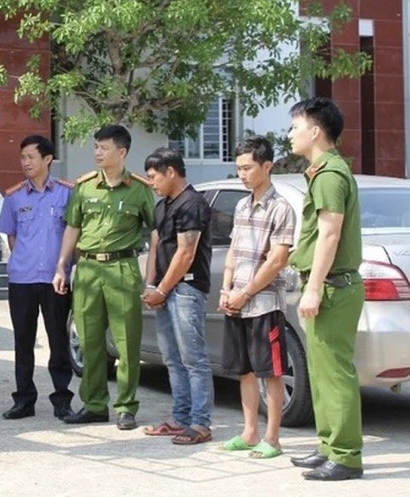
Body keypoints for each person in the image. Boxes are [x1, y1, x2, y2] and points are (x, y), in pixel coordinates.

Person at [53, 124, 154, 431]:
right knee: (88, 341)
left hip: (122, 269)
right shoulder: (84, 187)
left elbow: (156, 232)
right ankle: (95, 405)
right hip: (87, 270)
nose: (97, 152)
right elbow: (73, 228)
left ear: (121, 152)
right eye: (96, 147)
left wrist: (150, 279)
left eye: (104, 148)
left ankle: (125, 406)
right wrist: (62, 266)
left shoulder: (139, 189)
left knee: (126, 343)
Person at [286, 97, 364, 481]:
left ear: (315, 131)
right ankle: (328, 446)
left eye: (294, 127)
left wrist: (314, 287)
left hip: (333, 287)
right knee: (320, 371)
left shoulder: (330, 174)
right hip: (327, 286)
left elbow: (330, 234)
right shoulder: (321, 171)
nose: (290, 135)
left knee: (335, 373)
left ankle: (346, 456)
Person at [217, 136, 296, 460]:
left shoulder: (281, 208)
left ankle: (272, 438)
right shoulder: (241, 204)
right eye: (238, 168)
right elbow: (234, 250)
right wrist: (226, 289)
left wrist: (245, 293)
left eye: (248, 167)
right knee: (244, 370)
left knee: (270, 372)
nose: (242, 174)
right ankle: (249, 432)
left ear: (267, 166)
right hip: (235, 301)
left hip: (264, 304)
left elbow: (277, 260)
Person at [0, 135, 75, 421]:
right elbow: (11, 235)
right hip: (22, 280)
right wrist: (24, 261)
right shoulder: (14, 197)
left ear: (47, 159)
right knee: (23, 341)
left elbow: (73, 233)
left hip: (56, 279)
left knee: (58, 340)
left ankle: (62, 399)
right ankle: (24, 399)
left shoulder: (67, 194)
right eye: (22, 157)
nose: (25, 162)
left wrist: (63, 267)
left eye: (31, 157)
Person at [141, 147, 214, 446]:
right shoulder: (162, 206)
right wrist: (150, 285)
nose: (151, 183)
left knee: (193, 358)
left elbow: (186, 253)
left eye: (154, 177)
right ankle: (180, 418)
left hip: (186, 289)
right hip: (163, 291)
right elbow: (155, 246)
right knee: (172, 358)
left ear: (171, 171)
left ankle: (200, 423)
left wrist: (161, 290)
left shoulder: (193, 204)